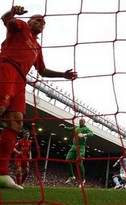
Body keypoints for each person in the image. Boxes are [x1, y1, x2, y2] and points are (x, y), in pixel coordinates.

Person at [0, 5, 77, 189]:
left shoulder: (37, 47)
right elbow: (5, 20)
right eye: (37, 20)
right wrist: (11, 12)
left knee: (16, 122)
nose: (41, 23)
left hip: (21, 80)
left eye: (43, 22)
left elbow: (42, 71)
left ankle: (2, 173)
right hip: (7, 67)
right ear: (29, 22)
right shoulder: (21, 27)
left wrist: (63, 75)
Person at [59, 118, 93, 187]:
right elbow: (69, 129)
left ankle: (83, 180)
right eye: (80, 121)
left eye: (82, 121)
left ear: (84, 122)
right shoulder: (76, 127)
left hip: (81, 147)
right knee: (67, 160)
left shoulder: (86, 129)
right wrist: (64, 127)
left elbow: (91, 134)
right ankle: (71, 176)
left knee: (79, 163)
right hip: (74, 146)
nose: (80, 122)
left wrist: (84, 135)